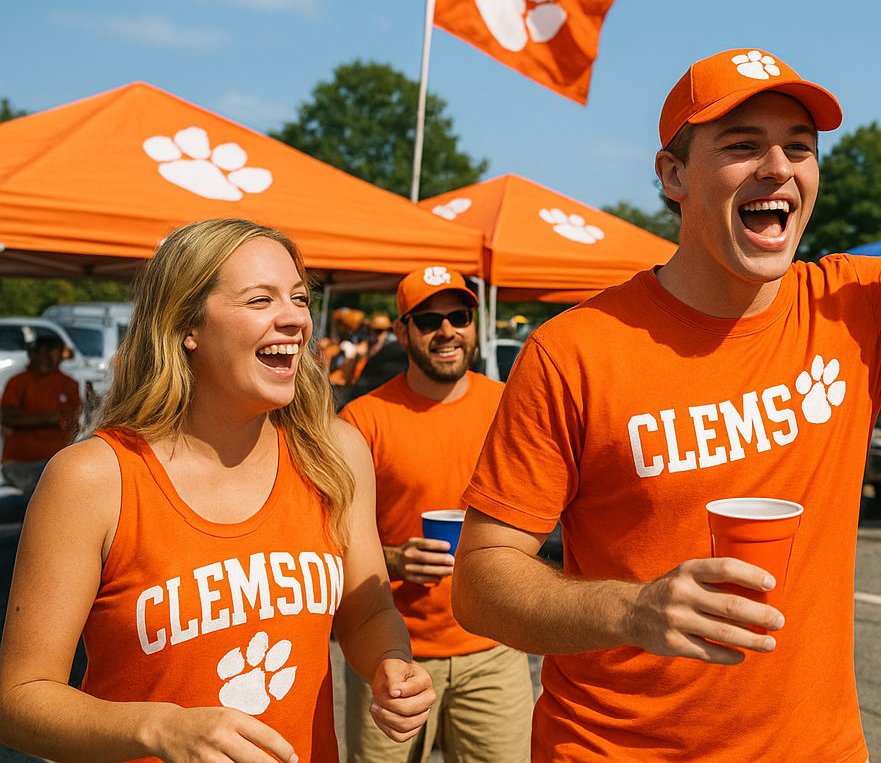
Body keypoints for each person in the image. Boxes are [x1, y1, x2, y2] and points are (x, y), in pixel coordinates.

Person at [450, 0, 881, 762]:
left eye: (800, 146)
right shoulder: (575, 350)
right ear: (673, 175)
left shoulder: (855, 308)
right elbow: (480, 581)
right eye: (742, 144)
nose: (778, 169)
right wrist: (632, 610)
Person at [0, 218, 435, 763]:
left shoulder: (335, 453)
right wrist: (160, 729)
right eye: (259, 300)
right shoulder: (95, 478)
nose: (295, 319)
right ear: (188, 326)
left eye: (299, 298)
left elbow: (366, 613)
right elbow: (18, 701)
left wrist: (391, 664)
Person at [339, 266, 533, 763]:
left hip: (494, 645)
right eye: (428, 320)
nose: (447, 331)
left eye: (459, 316)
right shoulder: (361, 421)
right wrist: (396, 560)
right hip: (390, 654)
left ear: (474, 325)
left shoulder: (510, 405)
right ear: (402, 330)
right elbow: (327, 542)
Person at [0, 334, 81, 495]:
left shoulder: (69, 385)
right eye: (40, 353)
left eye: (49, 354)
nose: (44, 358)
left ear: (59, 357)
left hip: (56, 462)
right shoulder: (18, 382)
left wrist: (25, 419)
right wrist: (49, 418)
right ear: (32, 354)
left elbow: (71, 421)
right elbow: (8, 417)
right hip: (19, 463)